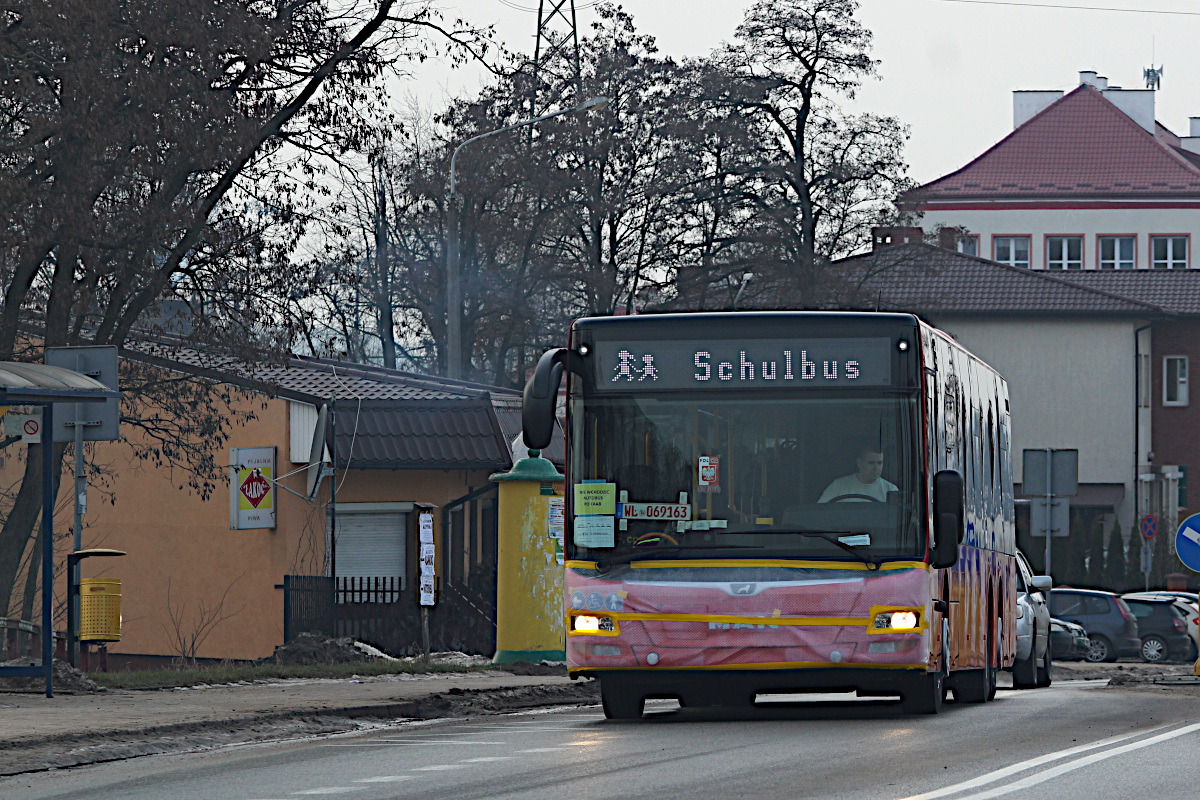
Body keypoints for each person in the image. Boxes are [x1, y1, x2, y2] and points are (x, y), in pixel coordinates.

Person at [818, 446, 897, 503]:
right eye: (871, 463)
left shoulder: (891, 490)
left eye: (879, 463)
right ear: (859, 463)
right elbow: (821, 513)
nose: (876, 468)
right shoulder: (838, 486)